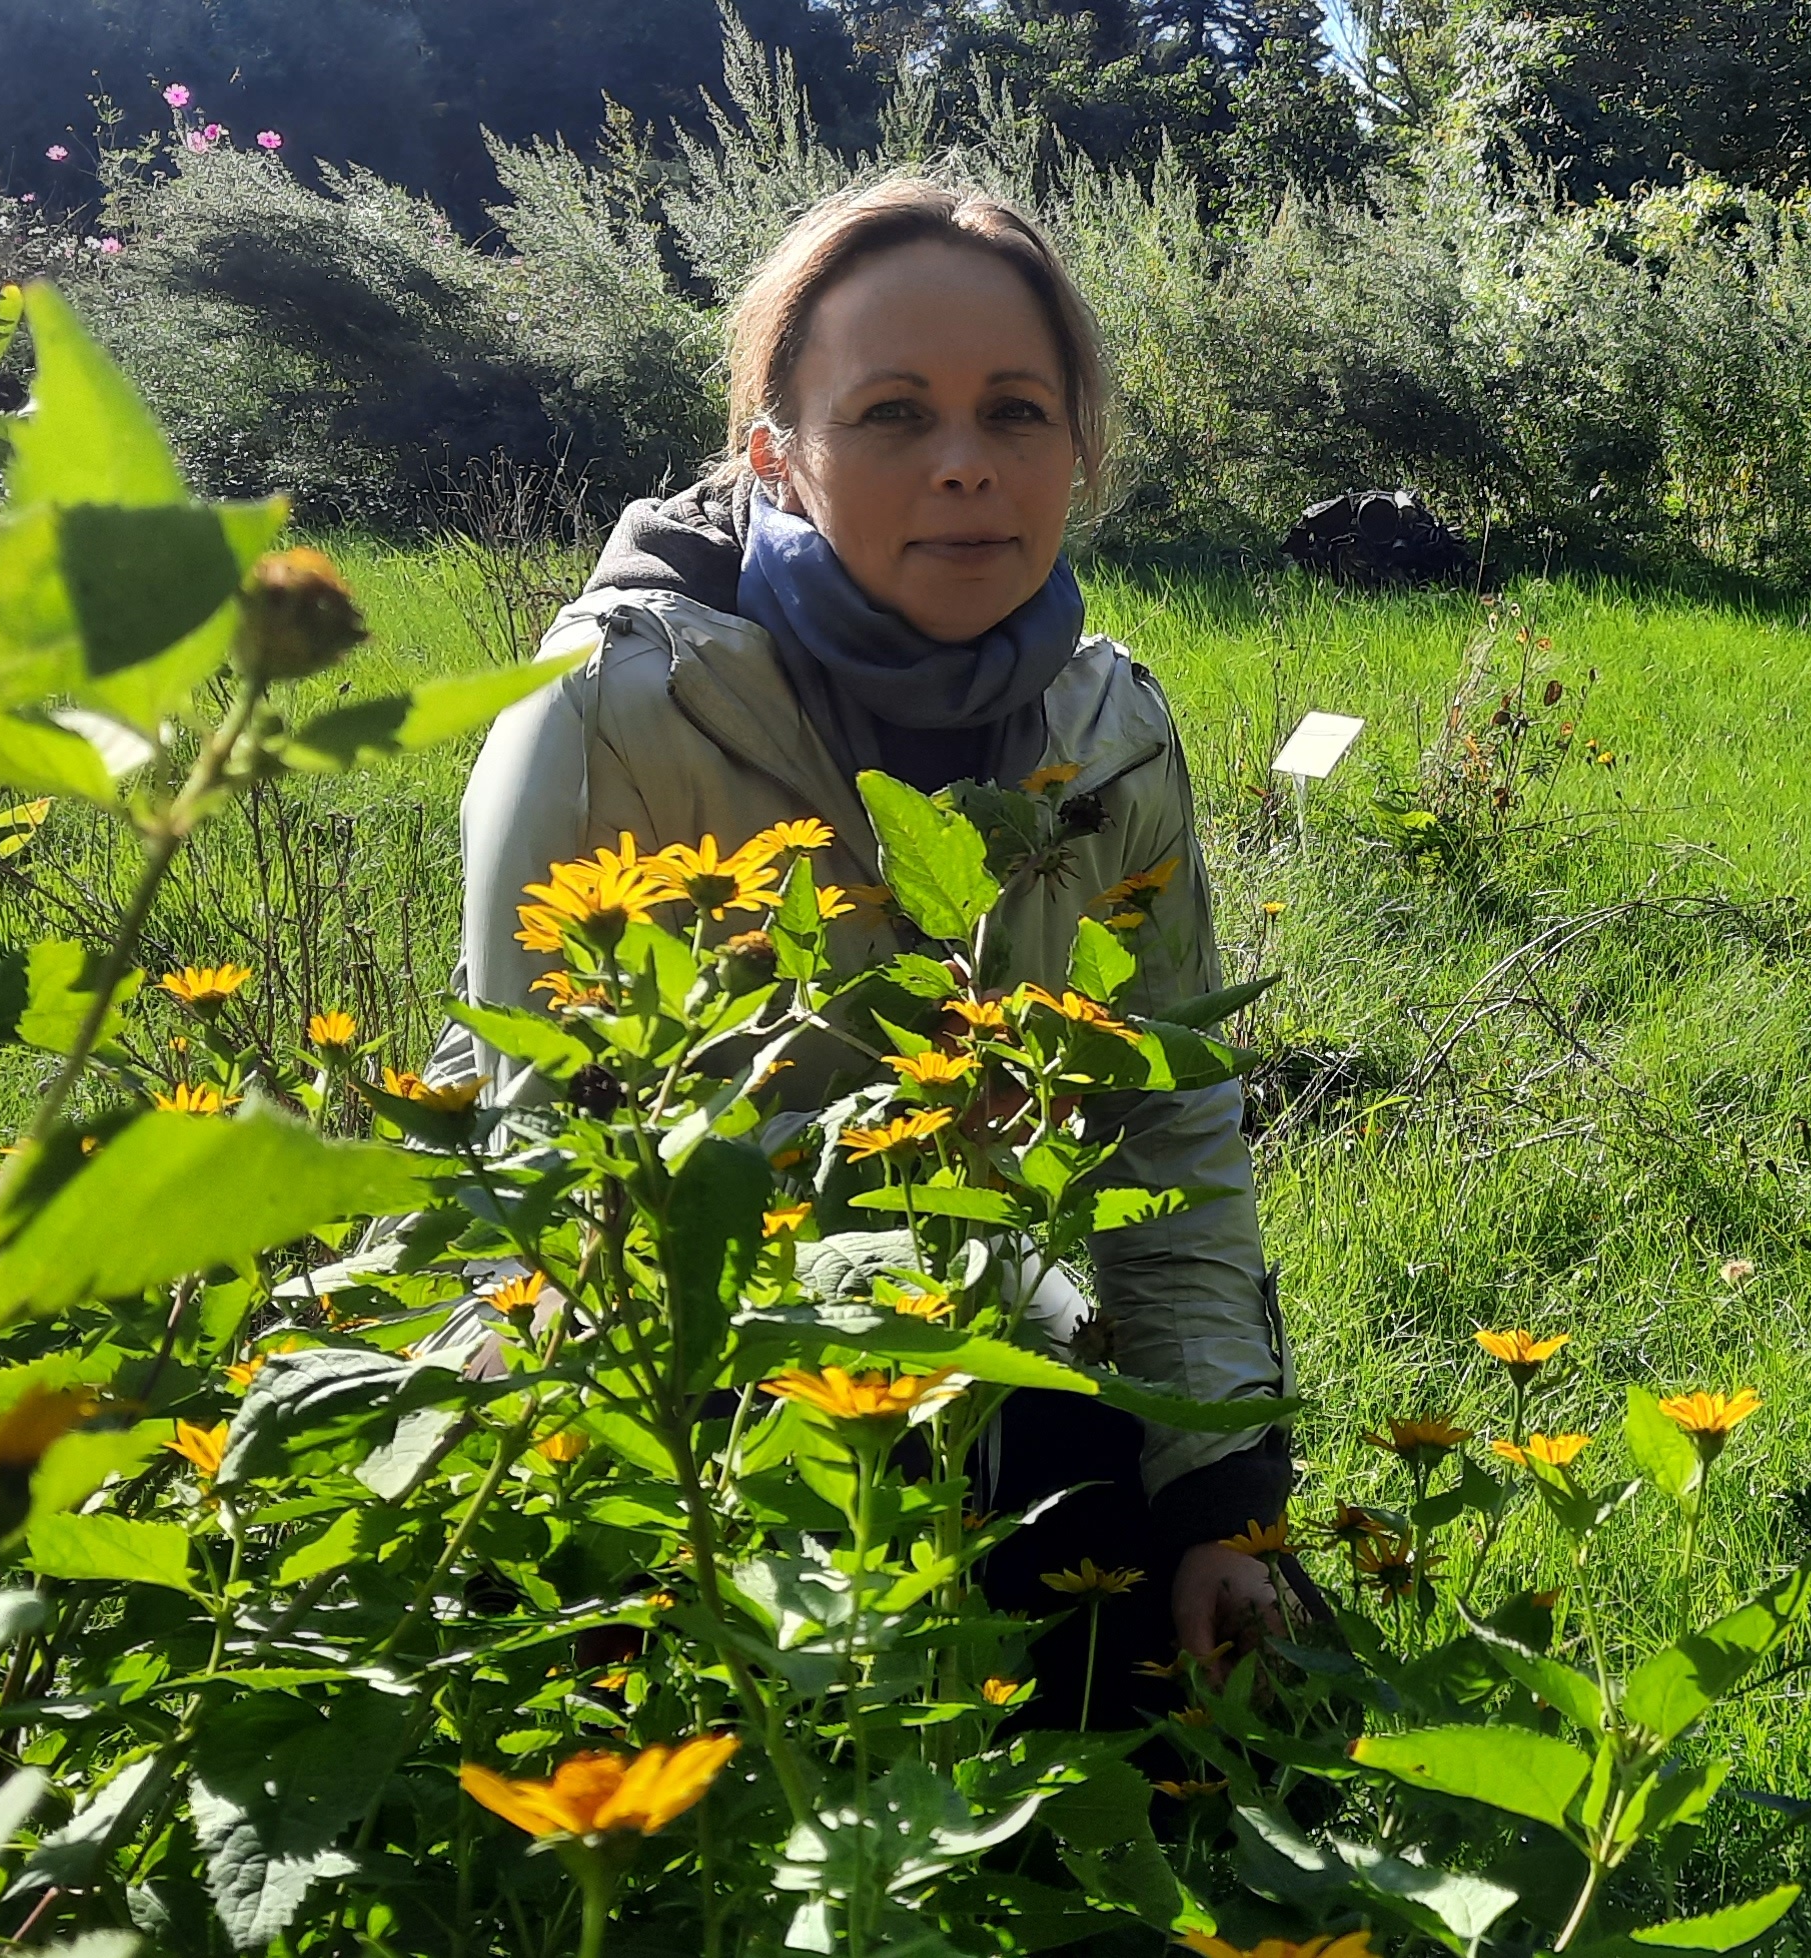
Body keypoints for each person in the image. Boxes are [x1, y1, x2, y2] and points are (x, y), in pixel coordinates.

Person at [438, 175, 1292, 1705]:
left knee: (1214, 1725)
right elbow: (544, 1184)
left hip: (987, 1323)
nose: (967, 467)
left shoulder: (1110, 737)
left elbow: (1171, 1121)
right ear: (778, 453)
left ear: (1079, 455)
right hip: (659, 1375)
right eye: (893, 415)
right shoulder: (602, 717)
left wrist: (1222, 1499)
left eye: (1016, 412)